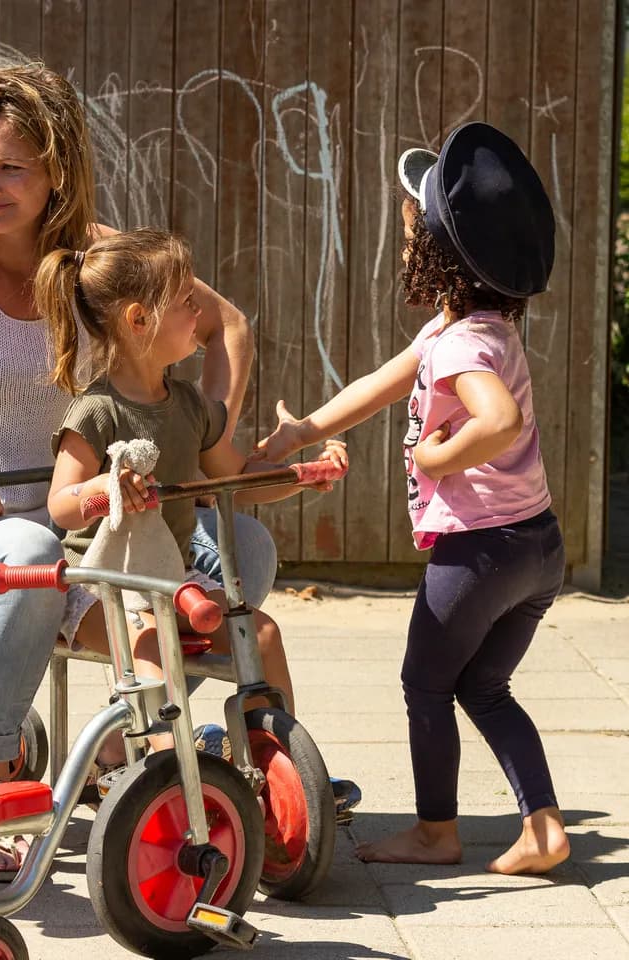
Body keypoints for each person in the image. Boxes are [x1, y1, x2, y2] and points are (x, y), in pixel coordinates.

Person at [0, 62, 276, 880]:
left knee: (245, 549)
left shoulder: (98, 259)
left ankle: (131, 758)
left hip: (71, 532)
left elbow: (229, 325)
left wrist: (205, 439)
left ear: (57, 172)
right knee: (26, 557)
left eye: (10, 168)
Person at [254, 121, 569, 875]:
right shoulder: (472, 328)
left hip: (481, 551)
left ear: (437, 253)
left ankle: (435, 832)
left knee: (424, 684)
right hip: (537, 546)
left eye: (407, 234)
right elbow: (380, 383)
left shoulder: (459, 345)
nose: (401, 246)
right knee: (484, 686)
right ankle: (544, 828)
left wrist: (437, 455)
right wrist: (305, 430)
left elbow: (500, 420)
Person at [39, 229, 346, 757]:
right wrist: (105, 489)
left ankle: (269, 762)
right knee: (153, 649)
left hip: (169, 577)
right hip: (100, 584)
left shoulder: (188, 405)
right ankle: (166, 769)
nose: (198, 316)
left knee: (261, 635)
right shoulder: (97, 409)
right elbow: (61, 506)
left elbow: (236, 480)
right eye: (186, 303)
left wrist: (302, 476)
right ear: (139, 320)